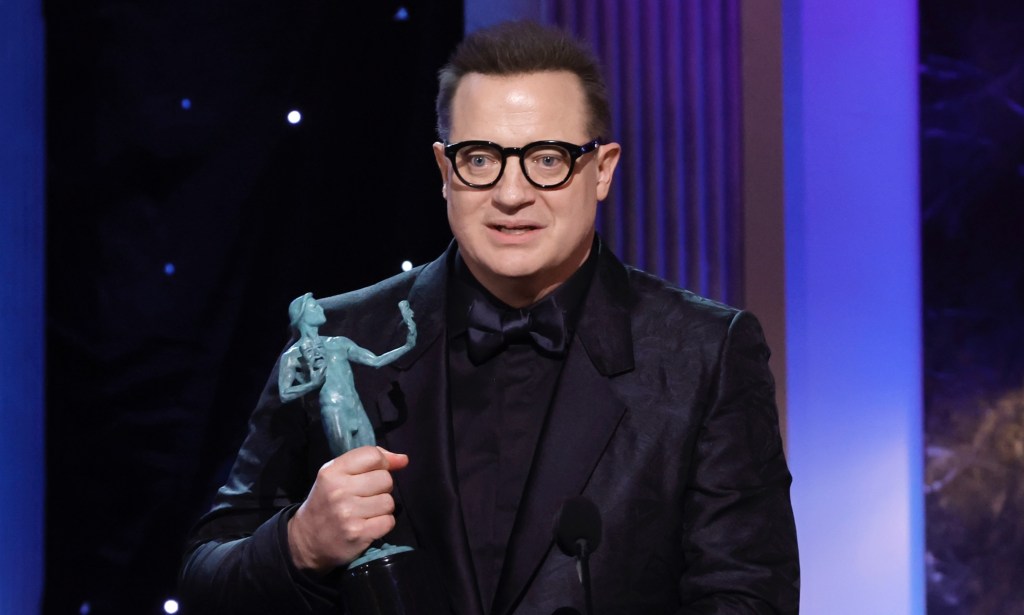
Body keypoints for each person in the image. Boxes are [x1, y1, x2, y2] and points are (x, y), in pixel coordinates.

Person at [180, 20, 799, 615]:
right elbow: (206, 578)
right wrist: (300, 545)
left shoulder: (706, 352)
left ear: (603, 169)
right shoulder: (341, 336)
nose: (511, 193)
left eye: (548, 159)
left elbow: (748, 596)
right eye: (480, 159)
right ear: (444, 171)